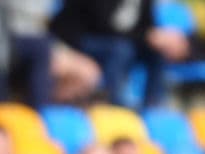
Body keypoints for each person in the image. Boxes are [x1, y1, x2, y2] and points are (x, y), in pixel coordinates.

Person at [51, 0, 190, 108]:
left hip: (121, 39)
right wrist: (147, 36)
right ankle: (113, 102)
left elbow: (145, 25)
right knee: (121, 49)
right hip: (81, 38)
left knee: (157, 50)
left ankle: (153, 105)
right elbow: (105, 25)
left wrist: (160, 38)